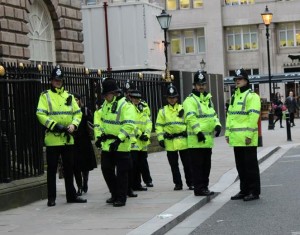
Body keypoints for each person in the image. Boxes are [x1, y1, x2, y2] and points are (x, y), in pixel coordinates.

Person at [36, 65, 87, 207]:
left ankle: (71, 196)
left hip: (67, 138)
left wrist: (74, 125)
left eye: (60, 80)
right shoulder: (45, 96)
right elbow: (40, 114)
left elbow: (78, 113)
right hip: (53, 138)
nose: (58, 82)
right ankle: (51, 198)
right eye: (55, 80)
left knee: (69, 169)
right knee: (51, 170)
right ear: (51, 80)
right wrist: (54, 125)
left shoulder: (69, 96)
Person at [94, 78, 135, 207]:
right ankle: (114, 193)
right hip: (107, 144)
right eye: (104, 95)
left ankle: (121, 198)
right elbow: (101, 123)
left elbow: (129, 125)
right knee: (106, 169)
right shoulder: (106, 105)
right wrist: (99, 137)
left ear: (114, 93)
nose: (105, 97)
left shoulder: (125, 105)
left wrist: (119, 139)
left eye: (107, 94)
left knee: (122, 173)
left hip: (121, 145)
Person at [183, 70, 221, 196]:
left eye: (203, 84)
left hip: (207, 141)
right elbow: (190, 117)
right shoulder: (190, 100)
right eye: (199, 84)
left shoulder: (208, 99)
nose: (201, 86)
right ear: (194, 85)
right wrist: (198, 131)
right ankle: (199, 189)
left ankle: (205, 187)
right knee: (197, 167)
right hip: (196, 140)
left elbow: (213, 114)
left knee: (206, 167)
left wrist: (217, 124)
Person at [225, 68, 261, 201]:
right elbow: (230, 116)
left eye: (239, 79)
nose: (237, 81)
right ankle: (244, 190)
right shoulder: (234, 96)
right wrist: (228, 133)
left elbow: (253, 117)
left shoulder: (252, 96)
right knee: (240, 166)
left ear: (246, 80)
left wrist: (249, 135)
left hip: (247, 138)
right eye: (236, 79)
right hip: (236, 138)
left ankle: (254, 191)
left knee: (250, 166)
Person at [155, 83, 193, 191]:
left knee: (187, 164)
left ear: (177, 97)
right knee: (174, 166)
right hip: (170, 142)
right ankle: (178, 184)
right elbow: (159, 126)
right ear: (167, 98)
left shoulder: (183, 108)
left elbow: (189, 123)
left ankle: (191, 183)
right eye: (170, 98)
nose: (172, 99)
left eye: (174, 97)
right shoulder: (162, 111)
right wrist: (160, 138)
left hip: (183, 141)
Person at [127, 87, 153, 191]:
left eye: (138, 98)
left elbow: (148, 121)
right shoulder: (128, 108)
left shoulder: (143, 107)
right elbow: (130, 123)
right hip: (133, 140)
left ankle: (140, 183)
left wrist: (146, 134)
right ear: (130, 97)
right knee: (134, 165)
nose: (136, 100)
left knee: (142, 162)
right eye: (134, 98)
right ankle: (135, 184)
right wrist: (139, 134)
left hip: (142, 141)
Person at [73, 93, 97, 195]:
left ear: (80, 101)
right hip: (73, 142)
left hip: (84, 141)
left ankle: (85, 182)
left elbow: (92, 123)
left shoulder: (85, 111)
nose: (75, 101)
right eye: (73, 99)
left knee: (85, 166)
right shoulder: (69, 112)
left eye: (77, 99)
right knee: (76, 166)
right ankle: (79, 187)